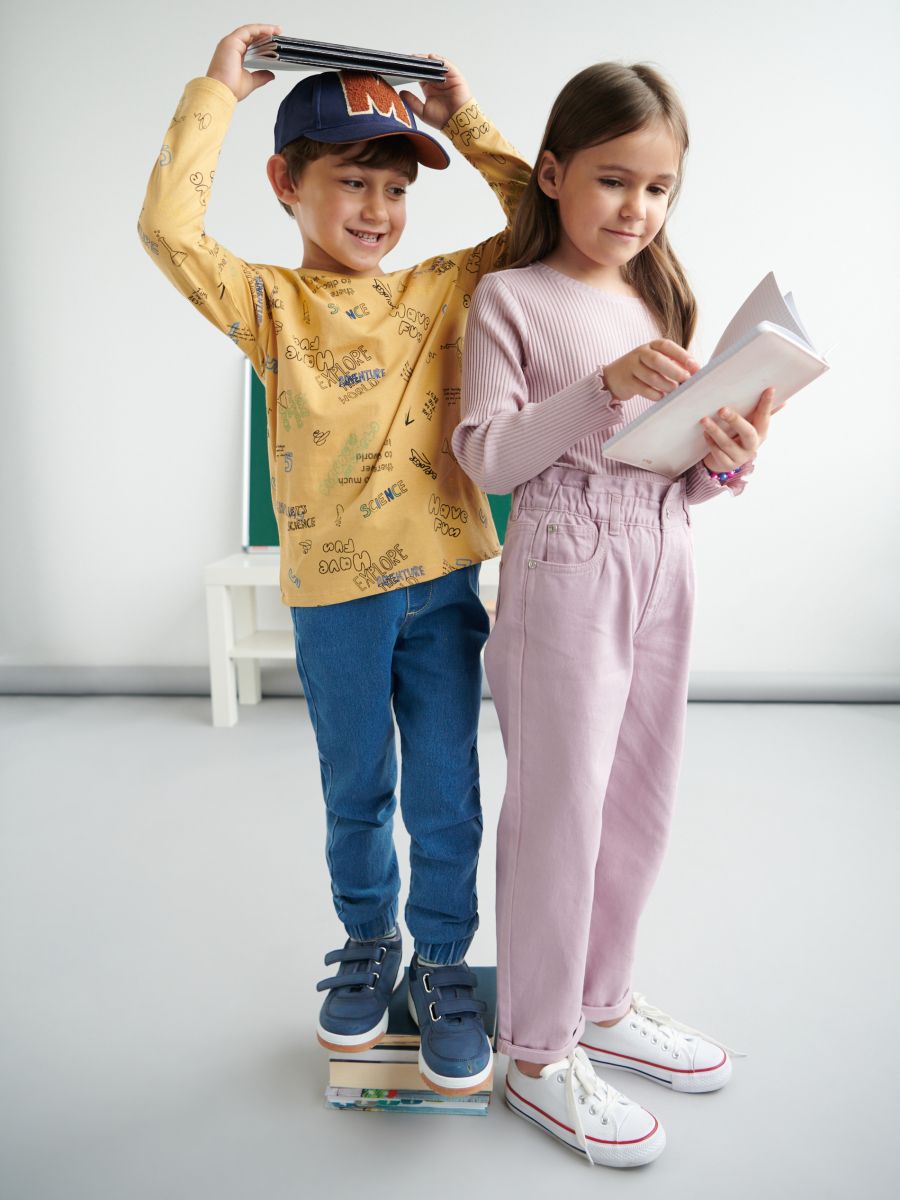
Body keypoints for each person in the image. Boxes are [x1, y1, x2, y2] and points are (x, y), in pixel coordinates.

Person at [138, 23, 531, 1096]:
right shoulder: (269, 304)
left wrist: (463, 121)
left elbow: (538, 221)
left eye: (396, 189)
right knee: (357, 789)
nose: (377, 209)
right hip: (335, 603)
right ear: (287, 183)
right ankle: (369, 942)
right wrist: (217, 92)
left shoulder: (443, 288)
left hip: (443, 590)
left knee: (445, 792)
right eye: (353, 181)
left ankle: (442, 962)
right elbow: (168, 229)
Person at [454, 62, 777, 1164]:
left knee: (640, 798)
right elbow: (489, 456)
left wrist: (725, 460)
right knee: (561, 811)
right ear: (552, 174)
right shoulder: (509, 300)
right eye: (613, 179)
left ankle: (600, 1001)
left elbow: (670, 471)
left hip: (662, 552)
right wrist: (603, 388)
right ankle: (537, 1051)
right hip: (566, 562)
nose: (637, 208)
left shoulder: (661, 301)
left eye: (658, 187)